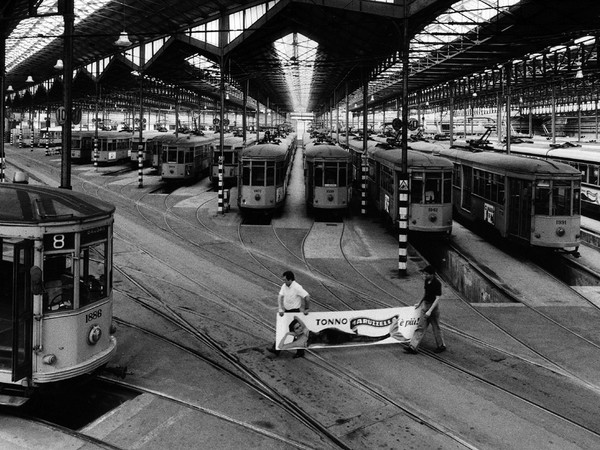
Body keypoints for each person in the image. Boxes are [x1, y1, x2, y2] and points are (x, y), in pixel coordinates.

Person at [278, 315, 406, 356]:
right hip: (330, 340)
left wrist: (293, 324)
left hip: (330, 332)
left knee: (357, 338)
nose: (299, 327)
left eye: (299, 326)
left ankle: (388, 334)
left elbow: (297, 318)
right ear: (294, 331)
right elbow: (281, 346)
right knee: (357, 339)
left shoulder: (304, 330)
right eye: (296, 328)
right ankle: (390, 334)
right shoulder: (298, 342)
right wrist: (288, 334)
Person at [267, 270, 310, 357]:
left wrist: (306, 308)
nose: (284, 281)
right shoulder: (284, 285)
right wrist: (280, 308)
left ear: (290, 280)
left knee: (296, 333)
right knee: (283, 330)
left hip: (294, 313)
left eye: (285, 280)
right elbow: (280, 296)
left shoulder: (297, 287)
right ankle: (276, 349)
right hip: (287, 312)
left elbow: (307, 296)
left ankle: (300, 352)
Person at [404, 265, 446, 354]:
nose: (425, 275)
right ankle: (413, 346)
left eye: (426, 274)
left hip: (433, 307)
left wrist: (430, 311)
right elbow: (426, 293)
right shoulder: (427, 281)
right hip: (425, 305)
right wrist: (419, 303)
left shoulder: (437, 284)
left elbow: (437, 298)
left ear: (432, 274)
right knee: (420, 326)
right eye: (424, 274)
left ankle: (441, 345)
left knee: (436, 327)